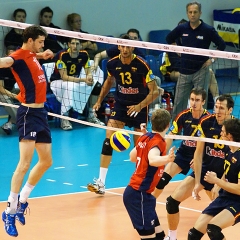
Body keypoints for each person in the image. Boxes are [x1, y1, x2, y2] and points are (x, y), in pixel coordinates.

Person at [87, 34, 160, 195]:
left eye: (128, 46)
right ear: (118, 47)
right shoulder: (112, 63)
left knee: (140, 147)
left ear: (133, 47)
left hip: (139, 107)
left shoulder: (142, 65)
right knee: (108, 139)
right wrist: (99, 100)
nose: (125, 49)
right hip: (120, 105)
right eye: (122, 46)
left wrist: (139, 106)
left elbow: (155, 92)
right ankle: (101, 183)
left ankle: (142, 182)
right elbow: (108, 82)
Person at [1, 25, 54, 237]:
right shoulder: (18, 56)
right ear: (30, 40)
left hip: (41, 114)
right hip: (28, 115)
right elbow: (7, 62)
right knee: (23, 165)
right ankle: (9, 211)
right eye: (40, 42)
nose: (43, 45)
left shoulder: (32, 54)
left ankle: (23, 200)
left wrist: (41, 54)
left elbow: (32, 56)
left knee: (46, 161)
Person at [163, 94, 234, 240]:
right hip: (205, 171)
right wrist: (197, 183)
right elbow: (198, 152)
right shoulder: (207, 122)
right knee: (171, 202)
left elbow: (234, 162)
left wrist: (218, 184)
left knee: (214, 226)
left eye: (222, 108)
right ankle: (172, 237)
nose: (218, 111)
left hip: (223, 177)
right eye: (216, 107)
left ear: (230, 110)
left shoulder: (236, 129)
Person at [166, 1, 226, 120]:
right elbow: (169, 38)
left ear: (200, 13)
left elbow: (222, 45)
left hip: (201, 71)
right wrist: (177, 49)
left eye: (195, 12)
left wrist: (212, 60)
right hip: (184, 71)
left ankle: (199, 125)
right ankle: (176, 127)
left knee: (199, 102)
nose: (192, 14)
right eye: (190, 12)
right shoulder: (182, 28)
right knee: (178, 102)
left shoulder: (208, 30)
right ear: (187, 13)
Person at [123, 109, 174, 240]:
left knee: (160, 236)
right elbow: (152, 160)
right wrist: (167, 159)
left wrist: (143, 145)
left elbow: (132, 157)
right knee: (149, 237)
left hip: (143, 195)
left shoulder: (145, 137)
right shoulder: (158, 142)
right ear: (168, 125)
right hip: (138, 195)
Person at [152, 87, 210, 199]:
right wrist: (162, 155)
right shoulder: (183, 115)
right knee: (162, 180)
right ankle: (150, 204)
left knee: (209, 187)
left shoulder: (208, 119)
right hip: (184, 153)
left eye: (197, 100)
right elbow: (171, 135)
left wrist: (200, 158)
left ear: (203, 102)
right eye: (192, 99)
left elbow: (210, 144)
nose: (193, 103)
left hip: (201, 156)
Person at [188, 118, 240, 240]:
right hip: (225, 196)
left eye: (222, 132)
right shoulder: (230, 151)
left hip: (238, 201)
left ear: (230, 136)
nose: (220, 134)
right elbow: (227, 171)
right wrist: (218, 186)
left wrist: (217, 181)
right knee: (193, 234)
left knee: (213, 229)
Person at [50, 37, 105, 130]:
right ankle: (64, 117)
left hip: (75, 80)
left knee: (96, 85)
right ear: (68, 44)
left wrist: (89, 76)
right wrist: (84, 80)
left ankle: (91, 115)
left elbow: (88, 71)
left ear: (81, 45)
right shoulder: (62, 55)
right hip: (58, 82)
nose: (75, 46)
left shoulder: (84, 54)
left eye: (77, 44)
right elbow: (64, 77)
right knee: (69, 87)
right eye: (73, 43)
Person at [0, 45, 19, 135]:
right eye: (9, 56)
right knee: (5, 99)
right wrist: (15, 96)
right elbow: (1, 89)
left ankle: (10, 123)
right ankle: (21, 121)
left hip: (11, 90)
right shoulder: (1, 68)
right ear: (5, 56)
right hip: (1, 92)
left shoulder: (17, 67)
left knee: (29, 93)